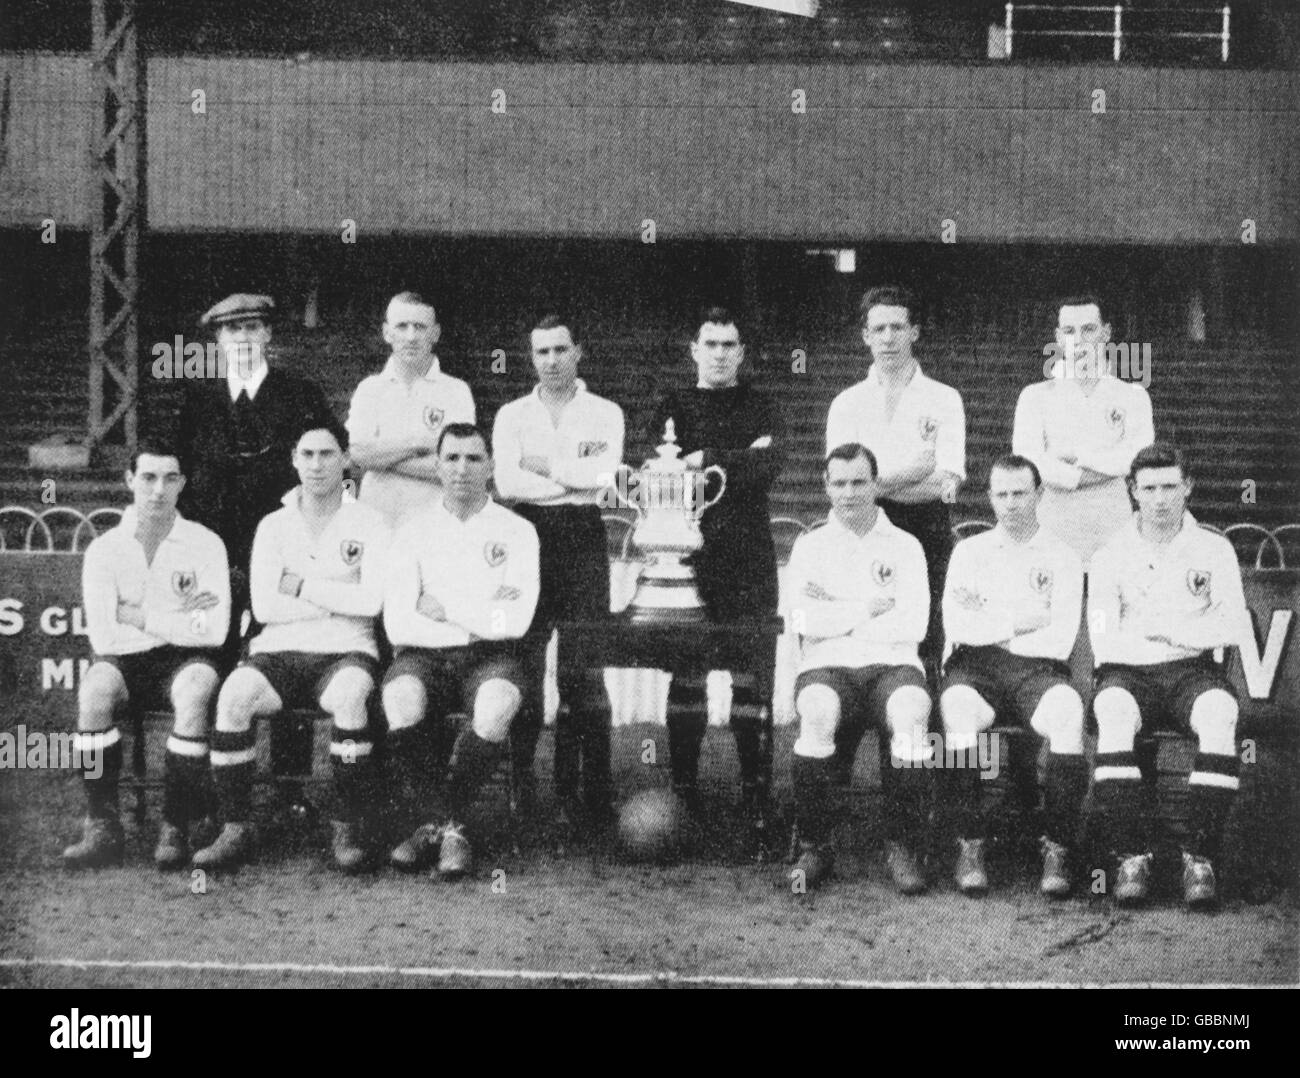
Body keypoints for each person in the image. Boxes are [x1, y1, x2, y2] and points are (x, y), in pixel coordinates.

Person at [193, 419, 391, 871]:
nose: (317, 465)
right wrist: (335, 597)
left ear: (345, 460)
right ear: (294, 461)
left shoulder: (371, 522)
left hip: (346, 648)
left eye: (327, 454)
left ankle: (346, 828)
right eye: (308, 455)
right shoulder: (273, 525)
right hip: (277, 649)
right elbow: (264, 606)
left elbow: (371, 601)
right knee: (233, 697)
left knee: (350, 696)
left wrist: (299, 585)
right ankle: (235, 827)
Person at [175, 292, 336, 803]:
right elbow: (180, 475)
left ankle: (289, 788)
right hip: (216, 556)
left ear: (268, 335)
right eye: (231, 330)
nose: (242, 339)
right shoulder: (197, 401)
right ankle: (207, 788)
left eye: (251, 329)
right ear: (218, 340)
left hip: (283, 552)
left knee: (287, 651)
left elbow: (328, 459)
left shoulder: (300, 394)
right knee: (211, 657)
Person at [640, 306, 785, 830]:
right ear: (694, 350)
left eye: (730, 345)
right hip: (688, 562)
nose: (721, 353)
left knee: (748, 679)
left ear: (742, 353)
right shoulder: (671, 404)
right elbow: (657, 472)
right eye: (712, 344)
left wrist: (702, 457)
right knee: (688, 675)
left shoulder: (762, 404)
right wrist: (735, 458)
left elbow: (766, 469)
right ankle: (683, 789)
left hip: (748, 560)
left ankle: (753, 793)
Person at [1087, 443, 1248, 909]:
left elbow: (1234, 624)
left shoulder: (1214, 548)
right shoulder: (1110, 552)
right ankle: (1132, 856)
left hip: (1192, 673)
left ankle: (1200, 858)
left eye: (1170, 487)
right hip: (1127, 672)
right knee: (1113, 711)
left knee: (1220, 713)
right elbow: (1104, 638)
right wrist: (1189, 633)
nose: (1160, 498)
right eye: (1149, 488)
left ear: (1188, 487)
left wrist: (1166, 632)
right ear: (1132, 491)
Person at [64, 437, 230, 870]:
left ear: (182, 483)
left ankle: (174, 824)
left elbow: (212, 632)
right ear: (129, 480)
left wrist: (140, 617)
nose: (158, 489)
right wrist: (179, 618)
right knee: (95, 690)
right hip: (127, 659)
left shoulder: (205, 543)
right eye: (148, 477)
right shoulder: (104, 550)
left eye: (169, 478)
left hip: (185, 660)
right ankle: (101, 824)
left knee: (195, 690)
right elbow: (104, 637)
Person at [382, 423, 540, 879]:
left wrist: (446, 608)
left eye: (473, 458)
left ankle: (443, 823)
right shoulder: (411, 530)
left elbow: (514, 621)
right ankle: (446, 824)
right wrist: (478, 617)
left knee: (497, 705)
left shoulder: (518, 531)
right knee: (400, 698)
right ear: (437, 465)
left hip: (491, 657)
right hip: (424, 655)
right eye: (451, 458)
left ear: (490, 466)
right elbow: (399, 621)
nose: (462, 469)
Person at [491, 314, 624, 832]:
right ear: (532, 356)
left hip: (583, 540)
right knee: (523, 666)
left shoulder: (606, 412)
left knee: (584, 672)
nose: (551, 360)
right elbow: (506, 482)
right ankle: (521, 785)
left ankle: (588, 792)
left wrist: (546, 470)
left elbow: (606, 484)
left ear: (578, 352)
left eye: (560, 350)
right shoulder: (511, 414)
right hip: (527, 538)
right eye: (541, 352)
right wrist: (570, 478)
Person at [785, 443, 933, 893]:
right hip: (828, 665)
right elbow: (801, 620)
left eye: (859, 482)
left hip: (893, 664)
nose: (849, 493)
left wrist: (837, 612)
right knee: (816, 712)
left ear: (876, 484)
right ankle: (814, 845)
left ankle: (904, 846)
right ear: (826, 487)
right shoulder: (809, 546)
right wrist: (867, 608)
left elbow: (915, 622)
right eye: (839, 483)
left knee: (910, 713)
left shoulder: (906, 546)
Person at [939, 454, 1086, 898]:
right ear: (989, 498)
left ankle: (1058, 846)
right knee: (959, 711)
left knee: (1067, 714)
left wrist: (993, 621)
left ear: (1039, 494)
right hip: (975, 666)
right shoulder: (969, 551)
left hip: (1038, 670)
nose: (1010, 503)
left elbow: (1059, 636)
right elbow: (959, 625)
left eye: (1020, 493)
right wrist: (1017, 622)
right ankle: (970, 843)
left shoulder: (1062, 556)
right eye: (1001, 494)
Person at [825, 285, 965, 670]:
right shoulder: (846, 403)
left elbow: (946, 484)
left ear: (914, 332)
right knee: (861, 630)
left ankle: (925, 720)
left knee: (926, 635)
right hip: (862, 529)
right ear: (866, 336)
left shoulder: (945, 398)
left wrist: (871, 483)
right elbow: (842, 485)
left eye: (898, 327)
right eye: (880, 328)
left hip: (927, 529)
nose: (888, 338)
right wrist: (917, 469)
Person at [1012, 293, 1155, 566]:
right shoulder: (1034, 396)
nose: (1078, 339)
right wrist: (1104, 468)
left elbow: (1136, 460)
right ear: (1057, 336)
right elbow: (1029, 465)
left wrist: (1074, 457)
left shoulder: (1134, 397)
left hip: (1114, 528)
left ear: (1106, 332)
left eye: (1088, 329)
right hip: (1053, 527)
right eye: (1069, 331)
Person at [346, 291, 476, 528]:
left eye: (420, 327)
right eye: (402, 326)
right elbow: (357, 454)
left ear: (435, 333)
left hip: (436, 526)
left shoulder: (456, 391)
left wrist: (382, 459)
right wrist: (418, 443)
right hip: (378, 524)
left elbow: (457, 467)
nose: (411, 336)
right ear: (387, 332)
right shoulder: (369, 389)